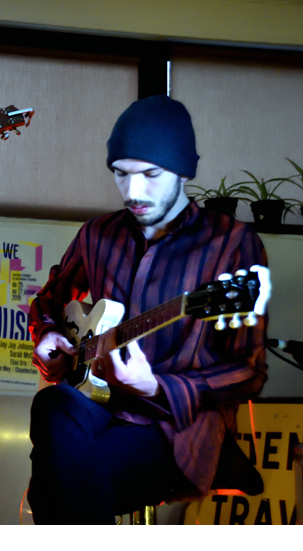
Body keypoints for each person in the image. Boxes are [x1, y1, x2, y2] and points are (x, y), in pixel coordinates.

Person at [27, 95, 268, 524]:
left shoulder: (231, 243)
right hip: (96, 406)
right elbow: (49, 299)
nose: (133, 192)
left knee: (63, 477)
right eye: (121, 174)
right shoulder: (98, 235)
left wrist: (155, 387)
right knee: (52, 408)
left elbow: (249, 370)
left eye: (150, 175)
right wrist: (46, 333)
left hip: (175, 429)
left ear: (183, 171)